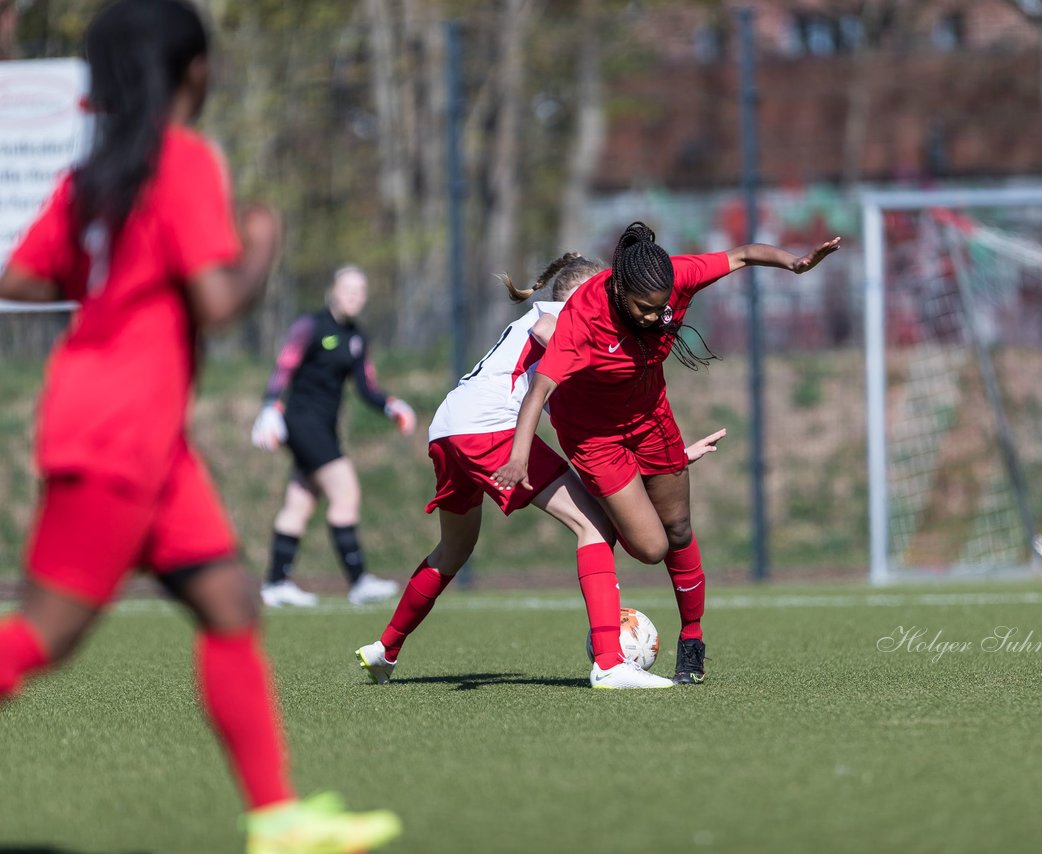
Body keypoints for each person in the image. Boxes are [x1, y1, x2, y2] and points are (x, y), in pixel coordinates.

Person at [0, 3, 400, 851]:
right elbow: (218, 301)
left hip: (140, 433)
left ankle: (277, 817)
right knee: (43, 637)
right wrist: (260, 242)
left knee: (228, 601)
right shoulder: (181, 160)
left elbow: (24, 280)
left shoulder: (95, 177)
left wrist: (111, 278)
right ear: (191, 72)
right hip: (117, 431)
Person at [355, 252, 725, 689]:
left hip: (448, 429)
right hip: (490, 430)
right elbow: (547, 332)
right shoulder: (562, 319)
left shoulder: (552, 322)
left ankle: (384, 650)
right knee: (594, 528)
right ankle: (609, 663)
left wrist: (670, 453)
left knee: (452, 550)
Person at [493, 222, 840, 684]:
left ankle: (692, 639)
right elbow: (539, 391)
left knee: (678, 529)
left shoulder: (672, 277)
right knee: (650, 547)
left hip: (651, 417)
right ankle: (605, 518)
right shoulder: (585, 320)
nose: (658, 318)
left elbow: (740, 254)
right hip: (595, 437)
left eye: (663, 308)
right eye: (645, 309)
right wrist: (518, 458)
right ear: (619, 290)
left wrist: (794, 264)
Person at [250, 266, 416, 607]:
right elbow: (285, 366)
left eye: (361, 291)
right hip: (300, 422)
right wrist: (269, 407)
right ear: (333, 291)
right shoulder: (311, 326)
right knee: (346, 492)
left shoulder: (357, 337)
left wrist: (391, 405)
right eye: (348, 289)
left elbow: (366, 386)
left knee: (300, 501)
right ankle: (358, 582)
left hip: (323, 427)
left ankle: (275, 583)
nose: (355, 296)